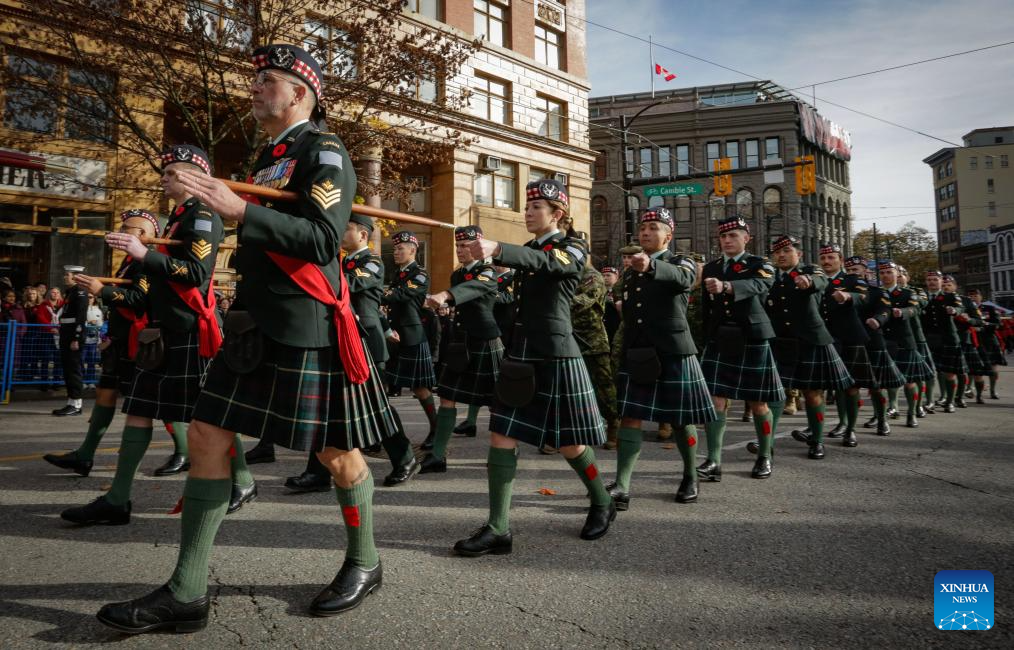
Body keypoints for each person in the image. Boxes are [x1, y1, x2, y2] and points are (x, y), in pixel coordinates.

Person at [94, 44, 397, 632]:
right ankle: (186, 592)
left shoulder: (324, 150)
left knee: (335, 455)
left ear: (300, 93)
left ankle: (366, 561)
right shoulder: (269, 157)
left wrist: (237, 209)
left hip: (302, 323)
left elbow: (319, 238)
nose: (254, 88)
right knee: (207, 432)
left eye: (267, 80)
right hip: (252, 324)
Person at [61, 147, 258, 529]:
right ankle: (118, 499)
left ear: (189, 176)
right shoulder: (177, 220)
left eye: (170, 173)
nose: (163, 178)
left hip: (188, 330)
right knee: (138, 410)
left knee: (209, 417)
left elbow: (195, 273)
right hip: (164, 329)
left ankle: (244, 480)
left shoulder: (201, 215)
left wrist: (143, 253)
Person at [452, 179, 614, 557]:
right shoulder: (526, 250)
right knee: (501, 435)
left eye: (535, 208)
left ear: (557, 213)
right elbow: (511, 291)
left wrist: (499, 249)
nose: (527, 213)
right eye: (526, 207)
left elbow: (547, 264)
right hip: (521, 353)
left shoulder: (573, 247)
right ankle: (498, 529)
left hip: (556, 353)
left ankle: (602, 500)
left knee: (570, 444)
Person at [43, 209, 190, 478]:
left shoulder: (147, 262)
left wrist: (102, 291)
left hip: (140, 342)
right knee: (105, 394)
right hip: (120, 340)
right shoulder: (128, 261)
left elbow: (138, 300)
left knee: (154, 399)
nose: (121, 232)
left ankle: (184, 451)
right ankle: (85, 455)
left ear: (144, 234)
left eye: (127, 228)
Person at [282, 212, 420, 491]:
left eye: (347, 229)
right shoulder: (341, 262)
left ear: (363, 235)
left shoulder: (372, 262)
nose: (342, 234)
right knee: (329, 405)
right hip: (339, 338)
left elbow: (345, 286)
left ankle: (405, 458)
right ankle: (319, 473)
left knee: (376, 405)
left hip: (365, 340)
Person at [607, 208, 715, 508]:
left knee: (681, 419)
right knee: (630, 416)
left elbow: (684, 279)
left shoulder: (679, 261)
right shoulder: (629, 272)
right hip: (640, 352)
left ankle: (690, 475)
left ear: (668, 234)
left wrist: (652, 268)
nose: (645, 232)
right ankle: (623, 485)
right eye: (642, 227)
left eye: (653, 227)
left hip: (673, 350)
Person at [696, 217, 784, 481]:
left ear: (747, 238)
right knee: (716, 400)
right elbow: (706, 308)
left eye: (733, 235)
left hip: (752, 337)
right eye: (723, 236)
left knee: (758, 403)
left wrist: (728, 286)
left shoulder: (761, 264)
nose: (727, 240)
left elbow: (761, 285)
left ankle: (765, 455)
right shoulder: (711, 267)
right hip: (721, 338)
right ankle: (713, 461)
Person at [419, 225, 503, 473]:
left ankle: (505, 449)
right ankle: (437, 456)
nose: (460, 250)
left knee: (496, 401)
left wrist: (446, 294)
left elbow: (473, 289)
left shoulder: (488, 272)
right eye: (458, 246)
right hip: (461, 342)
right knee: (447, 396)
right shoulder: (458, 275)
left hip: (485, 341)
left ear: (477, 246)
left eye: (465, 246)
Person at [813, 243, 876, 447]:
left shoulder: (852, 279)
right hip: (824, 338)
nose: (826, 261)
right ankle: (834, 426)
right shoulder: (818, 279)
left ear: (840, 259)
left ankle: (850, 429)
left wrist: (849, 296)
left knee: (850, 387)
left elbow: (863, 296)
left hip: (849, 338)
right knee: (823, 387)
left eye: (831, 257)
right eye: (823, 258)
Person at [382, 230, 439, 448]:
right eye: (395, 248)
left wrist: (373, 293)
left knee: (419, 387)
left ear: (413, 250)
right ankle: (383, 433)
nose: (395, 252)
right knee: (385, 382)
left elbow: (401, 295)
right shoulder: (399, 274)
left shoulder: (420, 274)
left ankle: (436, 428)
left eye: (400, 248)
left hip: (412, 335)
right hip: (396, 334)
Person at [877, 261, 932, 428]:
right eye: (883, 272)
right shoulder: (876, 293)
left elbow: (915, 308)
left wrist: (903, 312)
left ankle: (912, 412)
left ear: (897, 274)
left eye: (889, 272)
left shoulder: (908, 293)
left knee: (910, 381)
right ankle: (887, 413)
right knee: (886, 382)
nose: (886, 275)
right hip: (883, 340)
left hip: (904, 340)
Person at [921, 270, 966, 412]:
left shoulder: (951, 296)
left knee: (950, 372)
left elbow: (960, 307)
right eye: (929, 280)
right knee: (929, 372)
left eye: (935, 279)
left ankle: (950, 401)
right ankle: (929, 401)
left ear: (941, 281)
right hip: (928, 338)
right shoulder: (921, 296)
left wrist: (954, 311)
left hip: (948, 338)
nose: (932, 282)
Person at [52, 266, 89, 415]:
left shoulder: (80, 292)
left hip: (73, 335)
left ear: (75, 277)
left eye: (67, 275)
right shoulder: (70, 292)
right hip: (66, 333)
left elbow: (80, 317)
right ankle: (71, 402)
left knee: (73, 370)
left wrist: (76, 338)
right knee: (67, 369)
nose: (64, 277)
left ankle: (76, 404)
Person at [946, 275, 986, 408]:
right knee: (953, 372)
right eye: (944, 284)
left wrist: (969, 320)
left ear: (955, 286)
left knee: (976, 372)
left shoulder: (966, 301)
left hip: (965, 340)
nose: (946, 287)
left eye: (949, 284)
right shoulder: (936, 300)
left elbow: (979, 321)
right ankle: (954, 397)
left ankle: (979, 395)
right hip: (946, 340)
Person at [970, 288, 1006, 399]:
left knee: (993, 367)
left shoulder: (989, 308)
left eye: (975, 295)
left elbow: (998, 324)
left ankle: (993, 391)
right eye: (970, 296)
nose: (973, 298)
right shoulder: (966, 309)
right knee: (974, 369)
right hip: (973, 341)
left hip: (989, 340)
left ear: (981, 297)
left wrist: (983, 327)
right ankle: (973, 391)